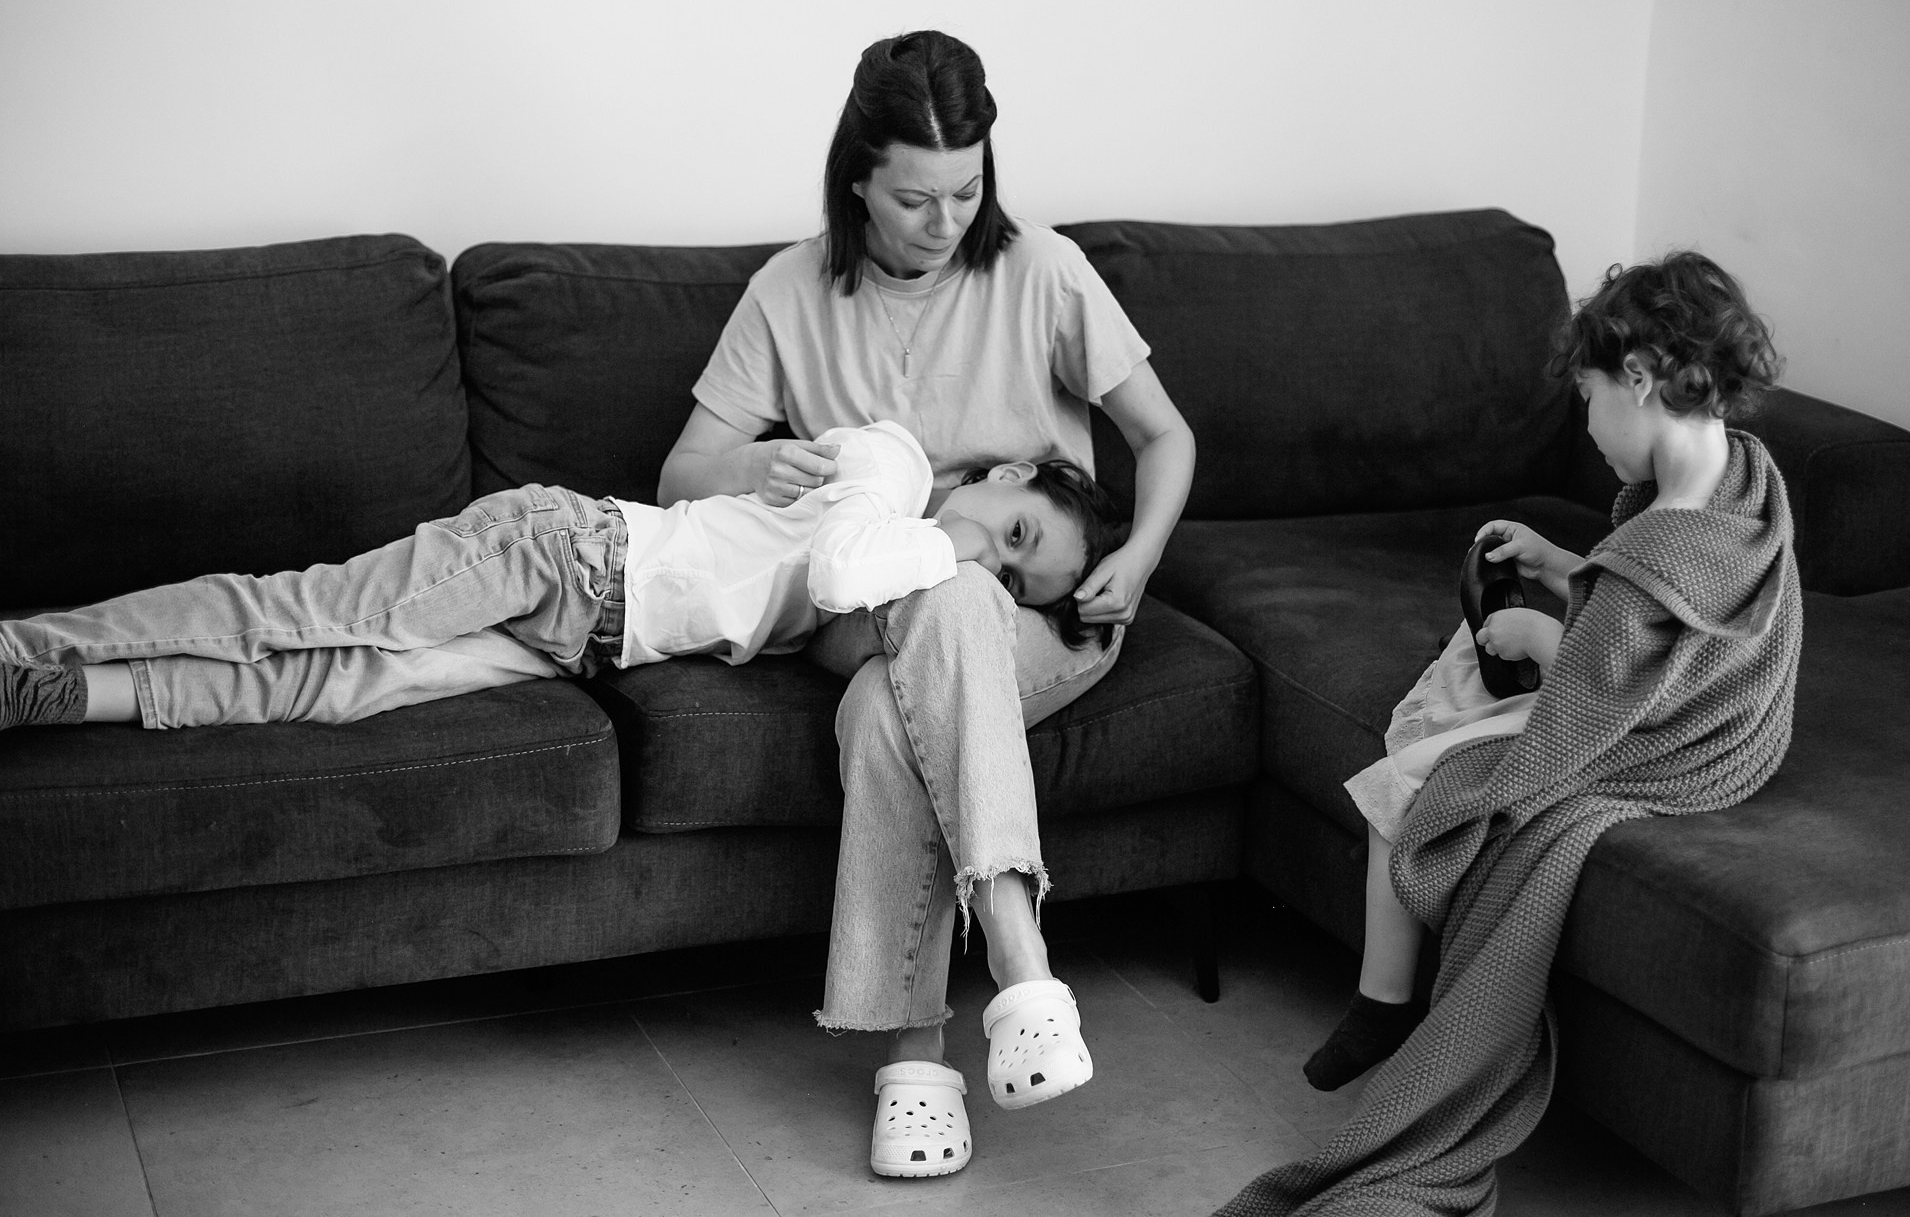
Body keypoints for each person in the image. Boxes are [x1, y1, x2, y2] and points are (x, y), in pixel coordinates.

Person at [655, 30, 1195, 1178]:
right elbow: (679, 476)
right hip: (866, 600)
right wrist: (757, 464)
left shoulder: (1042, 270)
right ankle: (1019, 960)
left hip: (1037, 604)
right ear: (856, 178)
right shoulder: (789, 291)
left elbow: (1163, 435)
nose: (946, 220)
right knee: (939, 597)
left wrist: (1141, 557)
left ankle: (915, 1067)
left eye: (966, 190)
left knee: (882, 715)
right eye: (914, 198)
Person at [1223, 252, 1802, 1216]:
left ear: (1638, 379)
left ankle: (1382, 1002)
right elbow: (1649, 617)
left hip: (1647, 736)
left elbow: (1605, 672)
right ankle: (1384, 987)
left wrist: (1538, 630)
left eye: (1587, 399)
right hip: (1714, 721)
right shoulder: (1742, 477)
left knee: (1403, 786)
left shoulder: (1663, 536)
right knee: (1452, 711)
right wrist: (1558, 560)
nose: (1587, 427)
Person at [0, 421, 1118, 732]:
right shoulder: (894, 467)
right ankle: (22, 645)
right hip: (564, 551)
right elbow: (833, 570)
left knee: (337, 686)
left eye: (1017, 580)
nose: (995, 561)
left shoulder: (907, 568)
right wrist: (964, 553)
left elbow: (842, 620)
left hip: (582, 641)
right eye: (1017, 531)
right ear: (1006, 473)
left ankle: (61, 694)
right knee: (295, 615)